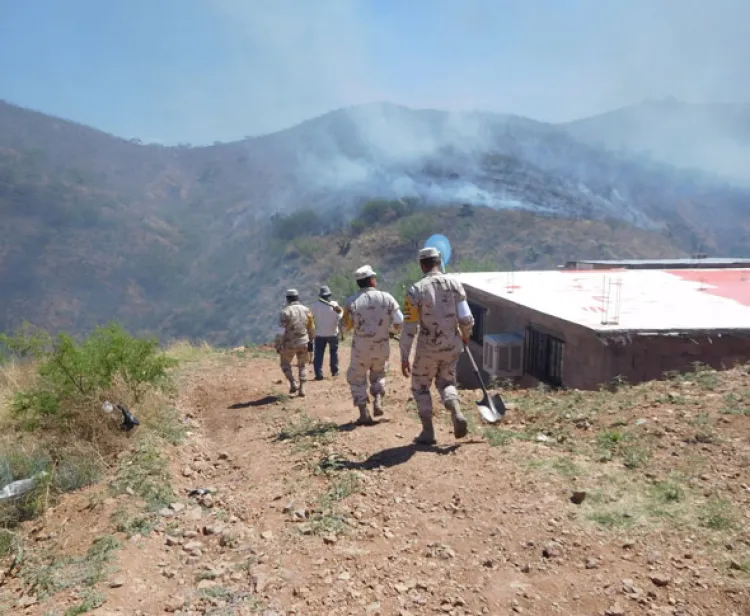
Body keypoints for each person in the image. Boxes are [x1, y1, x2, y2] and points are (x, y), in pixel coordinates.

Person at [399, 247, 475, 445]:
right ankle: (456, 412)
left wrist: (404, 355)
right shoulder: (455, 285)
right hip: (451, 344)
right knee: (447, 382)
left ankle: (428, 432)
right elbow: (466, 317)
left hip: (428, 348)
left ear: (422, 265)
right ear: (439, 262)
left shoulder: (415, 290)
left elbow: (409, 328)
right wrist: (466, 336)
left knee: (421, 386)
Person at [342, 265, 404, 425]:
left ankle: (364, 414)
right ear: (372, 281)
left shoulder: (351, 302)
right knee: (379, 373)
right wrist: (391, 331)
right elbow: (400, 321)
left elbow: (344, 327)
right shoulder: (387, 298)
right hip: (382, 345)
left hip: (361, 347)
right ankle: (378, 400)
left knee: (357, 377)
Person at [274, 288, 315, 397]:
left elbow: (280, 331)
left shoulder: (285, 312)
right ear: (298, 298)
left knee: (285, 364)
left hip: (290, 344)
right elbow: (311, 328)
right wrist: (311, 341)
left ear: (287, 299)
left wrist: (278, 344)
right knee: (303, 365)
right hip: (304, 342)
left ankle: (293, 383)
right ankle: (302, 389)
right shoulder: (307, 310)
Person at [310, 285, 343, 381]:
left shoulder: (315, 306)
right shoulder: (334, 304)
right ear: (329, 295)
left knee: (319, 355)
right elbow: (340, 316)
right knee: (334, 353)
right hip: (333, 333)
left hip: (320, 334)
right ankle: (335, 371)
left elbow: (310, 318)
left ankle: (319, 374)